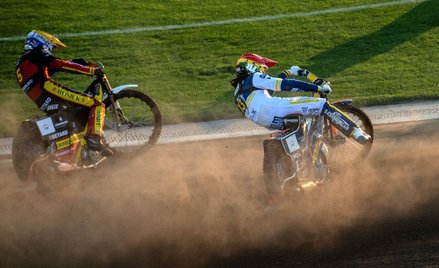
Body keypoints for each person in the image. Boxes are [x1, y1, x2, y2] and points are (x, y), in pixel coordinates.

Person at [230, 53, 371, 144]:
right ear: (252, 66)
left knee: (302, 129)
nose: (264, 72)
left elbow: (270, 89)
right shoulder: (254, 77)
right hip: (272, 109)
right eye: (263, 69)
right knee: (321, 104)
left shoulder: (239, 90)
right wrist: (317, 88)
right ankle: (356, 132)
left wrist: (288, 72)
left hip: (268, 122)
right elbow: (285, 85)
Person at [15, 30, 113, 156]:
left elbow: (55, 67)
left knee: (77, 111)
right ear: (41, 42)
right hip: (50, 90)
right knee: (96, 104)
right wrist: (90, 71)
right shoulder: (36, 52)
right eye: (51, 48)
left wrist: (79, 62)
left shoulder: (22, 63)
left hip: (43, 101)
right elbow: (58, 64)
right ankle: (94, 138)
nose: (50, 51)